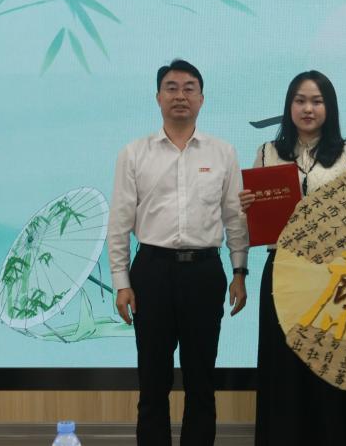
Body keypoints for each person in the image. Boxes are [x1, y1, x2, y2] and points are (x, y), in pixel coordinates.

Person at [107, 59, 249, 446]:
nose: (180, 95)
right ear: (158, 97)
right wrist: (121, 282)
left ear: (202, 98)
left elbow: (235, 218)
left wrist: (239, 271)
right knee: (153, 382)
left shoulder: (223, 153)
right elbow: (119, 223)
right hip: (152, 271)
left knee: (201, 382)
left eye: (189, 88)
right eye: (171, 87)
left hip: (204, 272)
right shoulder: (134, 153)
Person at [239, 70, 346, 446]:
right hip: (284, 272)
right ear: (289, 106)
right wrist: (246, 206)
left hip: (335, 275)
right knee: (284, 367)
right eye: (300, 100)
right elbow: (252, 222)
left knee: (332, 363)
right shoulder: (267, 152)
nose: (308, 108)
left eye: (317, 101)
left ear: (329, 108)